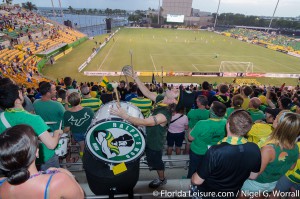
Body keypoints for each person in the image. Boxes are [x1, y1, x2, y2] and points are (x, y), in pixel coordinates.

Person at [111, 68, 177, 189]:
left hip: (154, 142)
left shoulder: (164, 114)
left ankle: (162, 179)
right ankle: (116, 171)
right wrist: (136, 77)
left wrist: (125, 116)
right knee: (134, 154)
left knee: (157, 163)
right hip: (146, 136)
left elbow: (145, 122)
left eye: (175, 90)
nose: (174, 88)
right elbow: (146, 92)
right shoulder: (162, 99)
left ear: (173, 100)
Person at [191, 110, 261, 198]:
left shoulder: (215, 151)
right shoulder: (255, 148)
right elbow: (253, 176)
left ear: (228, 125)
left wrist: (193, 175)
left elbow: (197, 181)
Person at [0, 124, 84, 199]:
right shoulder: (59, 180)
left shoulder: (1, 182)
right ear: (37, 152)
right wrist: (66, 173)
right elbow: (80, 196)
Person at [0, 84, 62, 170]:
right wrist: (56, 134)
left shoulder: (1, 117)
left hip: (15, 161)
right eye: (21, 93)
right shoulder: (33, 119)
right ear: (18, 99)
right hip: (41, 159)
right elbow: (51, 145)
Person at [241, 111, 300, 198]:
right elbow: (291, 167)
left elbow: (254, 175)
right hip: (272, 183)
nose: (275, 118)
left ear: (280, 126)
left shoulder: (269, 149)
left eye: (277, 118)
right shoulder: (295, 147)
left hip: (255, 184)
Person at [187, 101, 227, 178]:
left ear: (212, 111)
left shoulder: (202, 123)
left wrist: (190, 130)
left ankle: (192, 182)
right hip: (215, 151)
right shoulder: (226, 122)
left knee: (193, 169)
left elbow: (190, 138)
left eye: (210, 107)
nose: (208, 107)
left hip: (198, 151)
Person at [64, 92, 94, 158]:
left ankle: (83, 160)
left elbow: (67, 129)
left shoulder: (67, 113)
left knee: (82, 147)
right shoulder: (89, 110)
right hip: (88, 133)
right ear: (80, 99)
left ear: (69, 102)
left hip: (76, 134)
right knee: (90, 148)